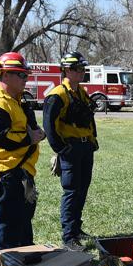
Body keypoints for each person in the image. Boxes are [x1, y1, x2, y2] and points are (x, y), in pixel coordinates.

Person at [0, 52, 44, 251]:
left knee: (23, 219)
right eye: (21, 75)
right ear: (6, 75)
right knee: (8, 221)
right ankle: (6, 263)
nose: (25, 80)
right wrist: (30, 138)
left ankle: (25, 254)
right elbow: (0, 138)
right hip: (8, 173)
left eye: (25, 75)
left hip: (22, 170)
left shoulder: (15, 100)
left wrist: (36, 133)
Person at [43, 51, 98, 252]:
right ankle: (68, 236)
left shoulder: (81, 92)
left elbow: (88, 118)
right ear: (65, 70)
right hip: (71, 148)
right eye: (76, 68)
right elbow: (49, 125)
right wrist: (60, 149)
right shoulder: (57, 95)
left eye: (82, 68)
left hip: (85, 147)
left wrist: (93, 139)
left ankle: (76, 228)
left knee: (82, 189)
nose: (80, 72)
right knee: (71, 191)